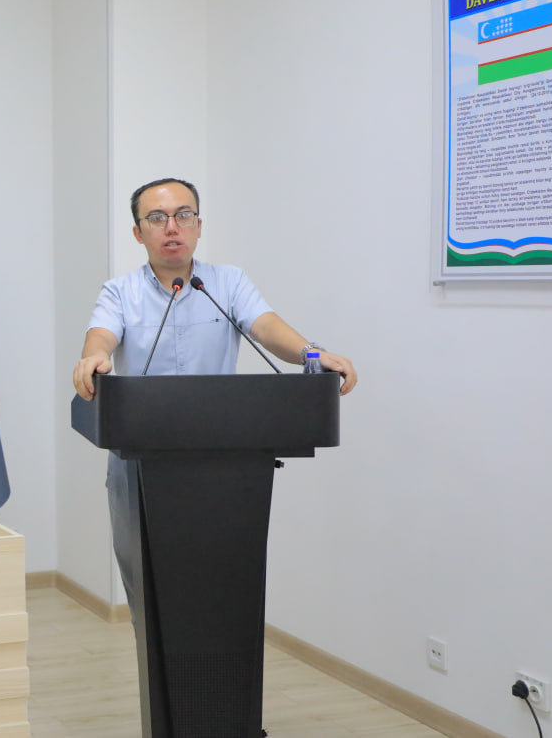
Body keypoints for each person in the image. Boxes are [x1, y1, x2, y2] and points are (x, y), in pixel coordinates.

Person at [71, 178, 357, 618]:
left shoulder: (226, 283)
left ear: (199, 226)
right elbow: (101, 335)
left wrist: (312, 353)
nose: (172, 227)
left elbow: (265, 326)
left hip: (224, 464)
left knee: (221, 590)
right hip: (140, 463)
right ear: (138, 232)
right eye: (157, 218)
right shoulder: (120, 292)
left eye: (183, 215)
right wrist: (93, 357)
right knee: (149, 591)